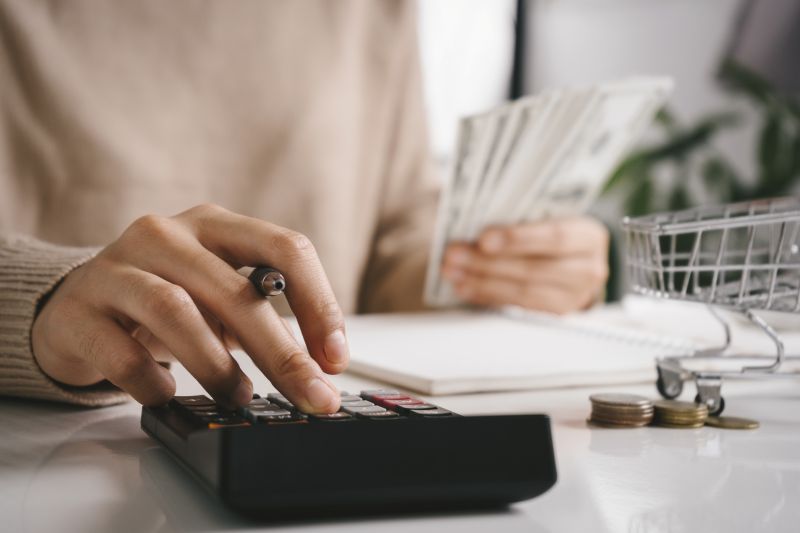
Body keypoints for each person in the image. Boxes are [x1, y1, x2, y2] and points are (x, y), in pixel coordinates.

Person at [0, 1, 609, 413]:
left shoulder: (370, 11)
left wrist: (499, 264)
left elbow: (397, 233)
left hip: (326, 425)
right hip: (58, 441)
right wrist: (42, 300)